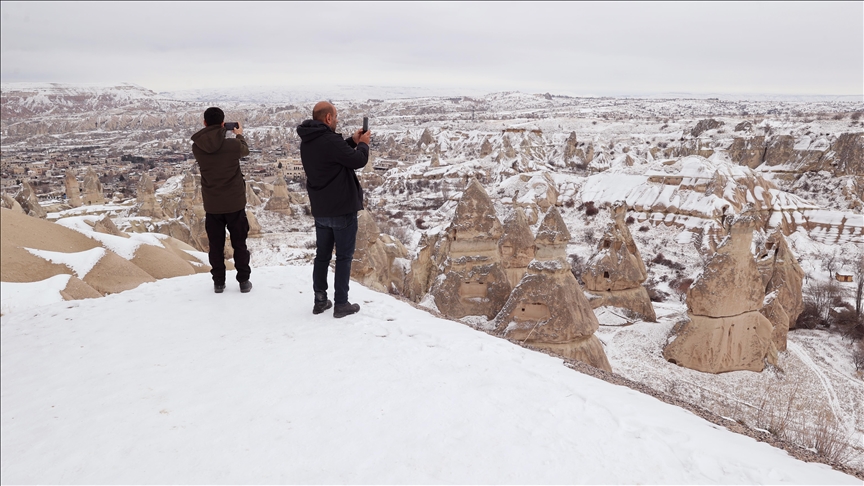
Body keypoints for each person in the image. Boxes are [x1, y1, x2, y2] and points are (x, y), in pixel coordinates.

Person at [297, 101, 371, 318]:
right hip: (342, 209)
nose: (337, 120)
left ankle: (320, 301)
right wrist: (364, 144)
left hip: (321, 209)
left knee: (322, 256)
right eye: (335, 116)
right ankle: (341, 304)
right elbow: (357, 160)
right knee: (343, 257)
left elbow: (333, 155)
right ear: (328, 118)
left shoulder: (308, 141)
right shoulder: (329, 140)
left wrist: (352, 140)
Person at [191, 107, 253, 294]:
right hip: (235, 203)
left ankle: (219, 282)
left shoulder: (197, 147)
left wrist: (219, 131)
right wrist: (238, 135)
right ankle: (243, 281)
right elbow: (245, 150)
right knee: (239, 243)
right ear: (223, 123)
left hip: (213, 204)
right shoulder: (232, 146)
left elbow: (213, 145)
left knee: (215, 245)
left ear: (204, 123)